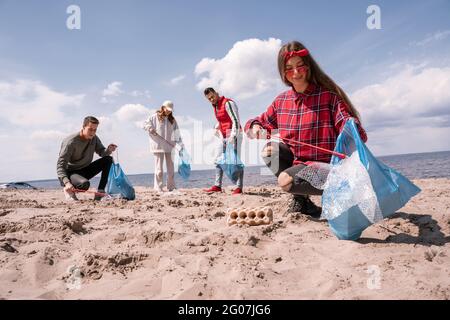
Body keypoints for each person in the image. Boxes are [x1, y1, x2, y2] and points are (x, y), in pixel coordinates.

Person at [245, 41, 368, 217]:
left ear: (308, 67)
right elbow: (258, 121)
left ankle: (340, 192)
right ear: (283, 73)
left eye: (300, 66)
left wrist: (351, 126)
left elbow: (346, 122)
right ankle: (302, 201)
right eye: (289, 68)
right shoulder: (281, 101)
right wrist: (255, 127)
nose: (296, 73)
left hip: (327, 168)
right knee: (269, 151)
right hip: (299, 165)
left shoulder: (328, 96)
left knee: (285, 180)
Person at [57, 116, 117, 201]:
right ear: (84, 127)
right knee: (84, 184)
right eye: (90, 129)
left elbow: (102, 152)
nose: (92, 132)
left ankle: (100, 192)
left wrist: (108, 150)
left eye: (95, 130)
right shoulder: (70, 142)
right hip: (70, 174)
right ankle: (68, 189)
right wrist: (67, 182)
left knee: (108, 159)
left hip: (84, 170)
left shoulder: (94, 138)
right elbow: (60, 166)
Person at [203, 87, 244, 195]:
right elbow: (222, 120)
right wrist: (216, 126)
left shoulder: (228, 103)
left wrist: (233, 136)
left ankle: (239, 187)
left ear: (217, 93)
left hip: (234, 134)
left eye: (212, 96)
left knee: (235, 161)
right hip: (224, 135)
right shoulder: (215, 106)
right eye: (209, 99)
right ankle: (217, 186)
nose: (211, 99)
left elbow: (235, 120)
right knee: (218, 159)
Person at [143, 100, 184, 192]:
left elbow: (177, 133)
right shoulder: (154, 117)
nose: (169, 111)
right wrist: (150, 128)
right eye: (167, 109)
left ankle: (171, 186)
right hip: (158, 146)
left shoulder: (172, 120)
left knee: (171, 169)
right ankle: (158, 187)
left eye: (170, 110)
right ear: (163, 107)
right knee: (159, 169)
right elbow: (145, 124)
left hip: (170, 146)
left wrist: (181, 144)